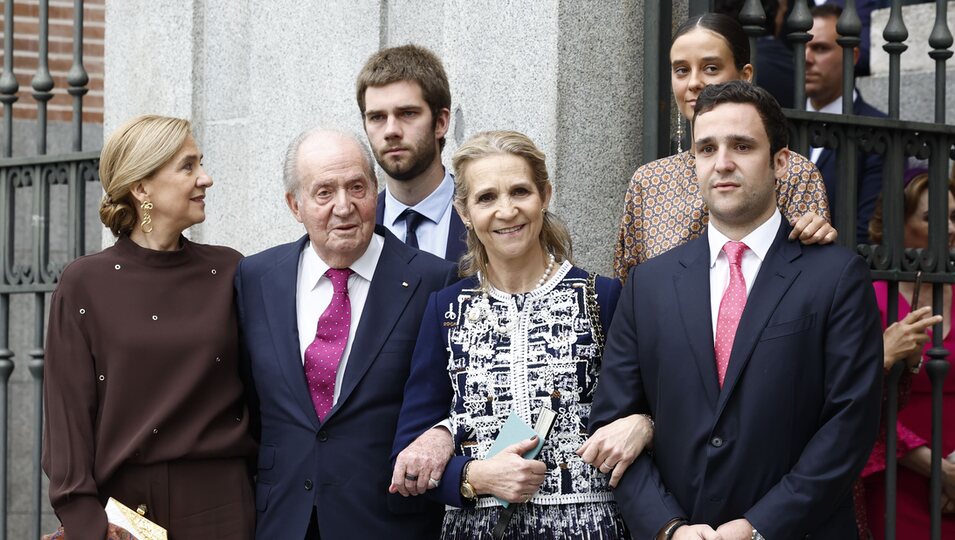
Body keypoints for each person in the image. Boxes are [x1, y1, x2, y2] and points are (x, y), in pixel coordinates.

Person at [590, 80, 884, 540]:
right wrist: (667, 528)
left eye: (742, 146)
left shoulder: (837, 276)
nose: (722, 163)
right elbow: (612, 421)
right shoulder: (648, 284)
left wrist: (755, 528)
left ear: (780, 162)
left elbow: (849, 425)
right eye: (706, 148)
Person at [391, 130, 649, 539]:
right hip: (476, 529)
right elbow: (411, 445)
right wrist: (475, 476)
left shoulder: (602, 297)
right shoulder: (446, 309)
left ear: (544, 196)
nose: (506, 211)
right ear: (464, 212)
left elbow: (652, 406)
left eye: (520, 192)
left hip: (589, 528)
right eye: (486, 198)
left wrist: (645, 423)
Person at [41, 115, 257, 540]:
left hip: (223, 509)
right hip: (121, 520)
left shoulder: (230, 270)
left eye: (201, 163)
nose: (206, 179)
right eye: (188, 166)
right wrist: (87, 522)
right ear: (142, 188)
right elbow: (67, 418)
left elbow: (262, 393)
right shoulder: (84, 284)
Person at [234, 128, 456, 539]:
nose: (344, 206)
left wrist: (443, 434)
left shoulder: (433, 280)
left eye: (357, 187)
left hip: (387, 519)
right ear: (294, 205)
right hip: (282, 519)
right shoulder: (256, 277)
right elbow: (249, 402)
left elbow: (455, 394)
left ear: (376, 191)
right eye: (323, 192)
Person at [614, 12, 834, 281]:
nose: (694, 82)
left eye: (710, 68)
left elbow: (810, 278)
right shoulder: (647, 182)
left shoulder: (793, 173)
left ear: (745, 75)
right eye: (681, 70)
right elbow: (629, 288)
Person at [861, 168, 955, 539]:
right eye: (932, 218)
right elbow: (854, 399)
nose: (949, 229)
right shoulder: (870, 298)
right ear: (897, 224)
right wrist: (937, 470)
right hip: (895, 480)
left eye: (953, 217)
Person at [356, 44, 467, 262]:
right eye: (377, 117)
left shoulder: (486, 215)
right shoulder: (356, 225)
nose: (391, 131)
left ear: (441, 122)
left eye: (407, 113)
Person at [805, 4, 886, 244]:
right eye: (801, 46)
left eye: (820, 48)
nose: (806, 58)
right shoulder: (777, 123)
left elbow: (868, 231)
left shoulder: (877, 130)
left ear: (853, 55)